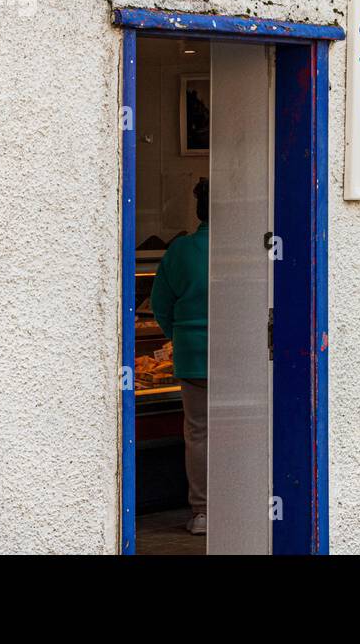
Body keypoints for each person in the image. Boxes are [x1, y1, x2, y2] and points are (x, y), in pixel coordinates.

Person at [151, 178, 209, 536]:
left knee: (199, 433)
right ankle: (244, 502)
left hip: (193, 355)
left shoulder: (182, 250)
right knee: (245, 430)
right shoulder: (249, 244)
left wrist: (180, 335)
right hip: (244, 354)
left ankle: (204, 512)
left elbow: (159, 304)